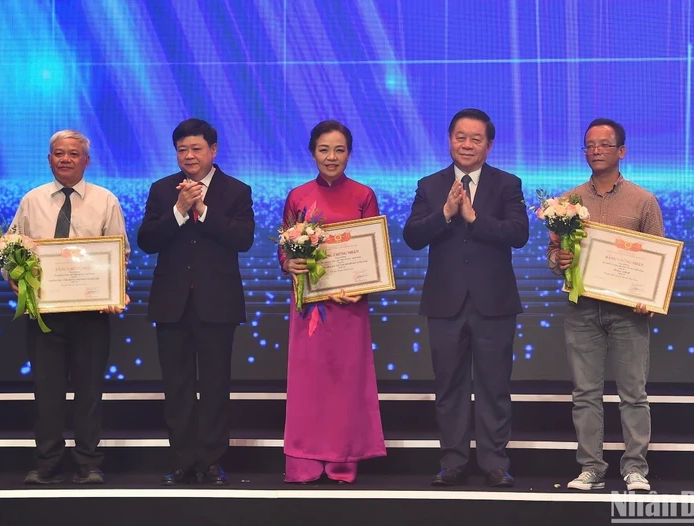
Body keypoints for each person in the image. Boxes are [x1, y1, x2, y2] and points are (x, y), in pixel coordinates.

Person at [403, 109, 528, 488]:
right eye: (460, 136)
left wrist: (474, 218)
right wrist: (445, 212)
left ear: (489, 144)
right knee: (450, 386)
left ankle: (494, 461)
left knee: (494, 386)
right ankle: (453, 461)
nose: (467, 144)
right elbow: (412, 236)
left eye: (475, 138)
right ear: (449, 139)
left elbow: (518, 234)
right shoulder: (430, 185)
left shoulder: (507, 184)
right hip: (445, 303)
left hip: (494, 302)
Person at [7, 130, 130, 485]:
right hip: (44, 313)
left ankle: (89, 462)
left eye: (72, 154)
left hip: (91, 314)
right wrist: (12, 276)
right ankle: (46, 462)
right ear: (49, 160)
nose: (64, 159)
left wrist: (115, 290)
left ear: (85, 161)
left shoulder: (105, 200)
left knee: (89, 391)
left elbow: (119, 254)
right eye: (58, 153)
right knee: (47, 392)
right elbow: (11, 249)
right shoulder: (32, 201)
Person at [547, 119, 664, 492]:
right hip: (582, 310)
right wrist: (558, 262)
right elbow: (553, 254)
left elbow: (657, 258)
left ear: (621, 151)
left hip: (629, 313)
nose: (595, 150)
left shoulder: (643, 200)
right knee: (585, 393)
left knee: (633, 393)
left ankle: (635, 468)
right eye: (589, 145)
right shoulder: (567, 203)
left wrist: (649, 297)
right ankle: (591, 468)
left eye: (603, 144)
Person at [137, 118, 254, 486]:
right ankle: (183, 460)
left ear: (213, 151)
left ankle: (212, 461)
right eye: (182, 150)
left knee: (216, 386)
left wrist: (201, 210)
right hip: (171, 304)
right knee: (178, 386)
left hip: (217, 304)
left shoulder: (236, 191)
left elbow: (242, 239)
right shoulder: (161, 190)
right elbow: (147, 240)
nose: (189, 156)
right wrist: (177, 209)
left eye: (196, 149)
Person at [280, 120, 386, 484]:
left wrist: (364, 285)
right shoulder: (297, 195)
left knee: (344, 383)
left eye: (339, 150)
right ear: (313, 152)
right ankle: (304, 460)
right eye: (324, 149)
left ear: (349, 154)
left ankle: (342, 459)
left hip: (349, 307)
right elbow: (285, 250)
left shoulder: (363, 194)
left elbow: (373, 253)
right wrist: (290, 263)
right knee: (308, 384)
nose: (332, 157)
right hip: (309, 309)